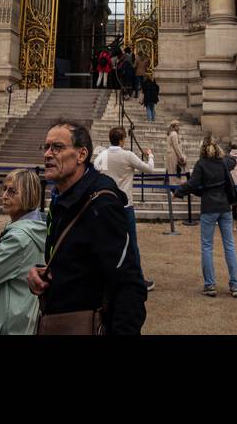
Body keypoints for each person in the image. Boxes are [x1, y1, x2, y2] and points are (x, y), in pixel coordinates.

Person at [28, 118, 147, 334]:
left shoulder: (102, 204)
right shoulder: (60, 198)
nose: (47, 154)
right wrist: (45, 273)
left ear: (81, 155)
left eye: (57, 147)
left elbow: (129, 285)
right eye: (45, 147)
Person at [0, 168, 47, 335]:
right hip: (21, 315)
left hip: (7, 324)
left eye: (12, 191)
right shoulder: (37, 225)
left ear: (28, 194)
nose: (4, 195)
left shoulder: (19, 238)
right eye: (4, 188)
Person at [175, 136, 237, 297]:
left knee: (207, 247)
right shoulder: (223, 163)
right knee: (230, 246)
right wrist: (223, 154)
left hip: (209, 207)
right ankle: (234, 284)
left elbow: (192, 184)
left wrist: (178, 192)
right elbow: (232, 161)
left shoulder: (201, 164)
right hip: (224, 206)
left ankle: (210, 285)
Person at [94, 127, 158, 290]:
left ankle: (106, 276)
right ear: (122, 140)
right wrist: (150, 155)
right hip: (125, 205)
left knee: (106, 240)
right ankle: (138, 279)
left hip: (106, 204)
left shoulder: (101, 156)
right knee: (132, 243)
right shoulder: (127, 155)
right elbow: (149, 169)